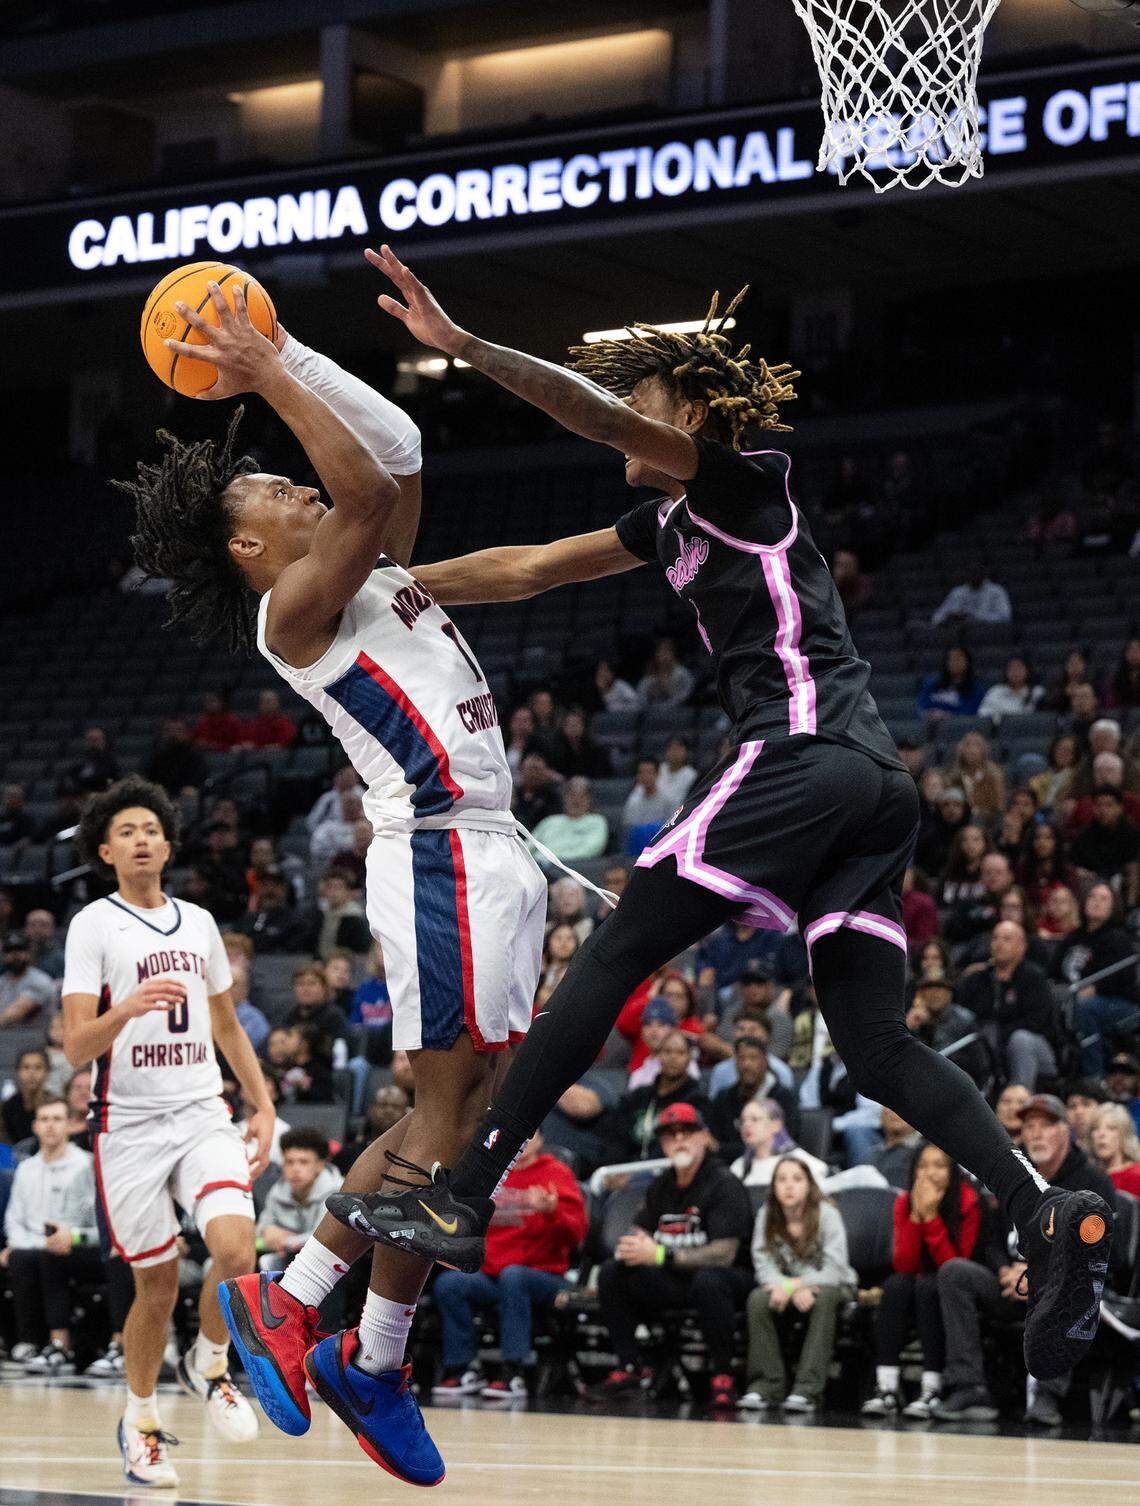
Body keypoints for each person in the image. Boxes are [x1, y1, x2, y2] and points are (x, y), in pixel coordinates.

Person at [338, 246, 1114, 1395]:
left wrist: (467, 350)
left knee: (616, 947)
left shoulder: (740, 483)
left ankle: (470, 1184)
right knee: (877, 1046)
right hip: (872, 792)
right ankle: (1044, 1208)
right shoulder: (670, 528)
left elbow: (591, 411)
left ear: (689, 412)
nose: (624, 426)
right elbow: (534, 567)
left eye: (642, 406)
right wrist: (400, 589)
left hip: (802, 755)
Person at [123, 278, 548, 1487]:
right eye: (270, 490)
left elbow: (395, 453)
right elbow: (360, 485)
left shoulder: (368, 576)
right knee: (452, 1119)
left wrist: (290, 347)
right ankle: (341, 1333)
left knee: (466, 1120)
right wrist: (263, 378)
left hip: (491, 849)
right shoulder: (297, 611)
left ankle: (330, 1325)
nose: (298, 482)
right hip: (441, 849)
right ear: (253, 550)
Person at [61, 777, 272, 1484]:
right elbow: (74, 1047)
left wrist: (264, 1104)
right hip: (128, 1127)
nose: (142, 838)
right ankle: (141, 1418)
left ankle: (210, 1364)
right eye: (126, 831)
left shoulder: (200, 922)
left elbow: (225, 1024)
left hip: (202, 1112)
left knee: (236, 1251)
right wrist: (125, 1011)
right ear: (104, 850)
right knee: (154, 1288)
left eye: (151, 827)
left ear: (168, 841)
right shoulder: (94, 924)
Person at [932, 1094, 1116, 1426]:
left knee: (1068, 1286)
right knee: (955, 1273)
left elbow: (1102, 1255)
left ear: (1066, 1132)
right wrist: (1004, 1268)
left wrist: (1042, 1273)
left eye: (1046, 1126)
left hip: (1070, 1289)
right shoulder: (1012, 1174)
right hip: (1012, 1284)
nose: (1036, 1134)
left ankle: (1046, 1396)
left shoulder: (1091, 1183)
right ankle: (968, 1385)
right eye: (1029, 1126)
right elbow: (990, 1241)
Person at [594, 1103, 753, 1408]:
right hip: (676, 1279)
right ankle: (630, 1366)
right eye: (670, 1135)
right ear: (663, 1144)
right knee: (614, 1272)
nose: (679, 1140)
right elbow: (639, 1234)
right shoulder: (661, 1185)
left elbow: (724, 1253)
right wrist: (633, 1248)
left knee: (708, 1282)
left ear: (704, 1137)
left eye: (687, 1132)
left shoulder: (724, 1183)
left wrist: (661, 1256)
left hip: (729, 1279)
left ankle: (723, 1375)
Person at [431, 1130, 587, 1401]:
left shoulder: (556, 1173)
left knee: (513, 1277)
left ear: (540, 1140)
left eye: (531, 1134)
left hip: (544, 1276)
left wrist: (553, 1213)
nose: (524, 1141)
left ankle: (513, 1372)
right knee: (450, 1283)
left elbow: (577, 1237)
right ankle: (462, 1368)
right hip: (493, 1275)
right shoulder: (494, 1173)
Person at [861, 1142, 980, 1419]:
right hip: (916, 1279)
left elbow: (955, 1264)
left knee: (929, 1285)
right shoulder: (904, 1201)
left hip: (955, 1286)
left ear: (952, 1171)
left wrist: (930, 1218)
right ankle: (887, 1387)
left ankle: (932, 1388)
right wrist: (917, 1214)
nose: (930, 1173)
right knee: (895, 1284)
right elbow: (904, 1264)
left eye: (939, 1165)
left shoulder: (968, 1200)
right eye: (923, 1166)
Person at [742, 1155, 855, 1412]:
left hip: (835, 1286)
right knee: (757, 1299)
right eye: (781, 1180)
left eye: (796, 1179)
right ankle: (766, 1385)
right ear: (773, 1186)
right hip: (786, 1287)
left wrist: (793, 1286)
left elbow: (835, 1269)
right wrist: (787, 1286)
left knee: (824, 1298)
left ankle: (807, 1390)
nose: (789, 1186)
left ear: (809, 1184)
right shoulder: (767, 1215)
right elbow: (763, 1264)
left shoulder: (827, 1214)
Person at [1, 1095, 100, 1374]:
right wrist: (27, 1245)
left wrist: (60, 1241)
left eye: (57, 1119)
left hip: (75, 1243)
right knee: (22, 1257)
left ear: (69, 1125)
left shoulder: (85, 1165)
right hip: (32, 1245)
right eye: (44, 1119)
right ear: (34, 1126)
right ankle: (27, 1342)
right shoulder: (26, 1169)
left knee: (41, 1257)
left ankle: (59, 1344)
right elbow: (14, 1219)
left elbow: (90, 1219)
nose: (50, 1126)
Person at [955, 921, 1058, 1090]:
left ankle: (1018, 1099)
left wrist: (1000, 1034)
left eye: (1007, 939)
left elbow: (1037, 1022)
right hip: (983, 1044)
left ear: (1022, 946)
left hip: (1034, 1048)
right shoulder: (977, 979)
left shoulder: (1034, 978)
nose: (999, 944)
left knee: (1021, 1039)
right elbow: (961, 1014)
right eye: (995, 938)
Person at [1053, 883, 1139, 1076]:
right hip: (1071, 998)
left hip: (1119, 1003)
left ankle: (1094, 1075)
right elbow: (1053, 971)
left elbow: (1123, 979)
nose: (1096, 902)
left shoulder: (1118, 938)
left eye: (1103, 898)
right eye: (1092, 897)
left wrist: (1095, 989)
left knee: (1085, 1007)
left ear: (1113, 906)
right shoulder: (1074, 937)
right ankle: (1059, 1069)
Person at [608, 1030, 711, 1161]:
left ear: (689, 1058)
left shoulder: (697, 1099)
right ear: (658, 1055)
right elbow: (616, 1137)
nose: (673, 1057)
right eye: (667, 1051)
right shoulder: (638, 1096)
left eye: (680, 1052)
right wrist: (616, 1167)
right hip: (625, 1168)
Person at [255, 1128, 344, 1266]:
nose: (295, 1169)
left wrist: (287, 1241)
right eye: (289, 1162)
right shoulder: (278, 1190)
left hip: (325, 1264)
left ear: (319, 1165)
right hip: (283, 1258)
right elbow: (262, 1230)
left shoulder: (337, 1193)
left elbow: (324, 1241)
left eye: (304, 1162)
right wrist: (268, 1233)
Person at [707, 1035, 800, 1161]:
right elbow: (712, 1143)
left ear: (765, 1061)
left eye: (753, 1058)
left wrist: (723, 1149)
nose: (747, 1064)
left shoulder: (783, 1097)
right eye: (741, 1058)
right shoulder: (723, 1097)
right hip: (727, 1168)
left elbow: (781, 1144)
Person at [730, 1100, 827, 1187]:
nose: (746, 1125)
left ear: (776, 1125)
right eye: (742, 1121)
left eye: (755, 1119)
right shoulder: (738, 1167)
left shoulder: (799, 1161)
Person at [530, 776, 609, 866]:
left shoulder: (597, 821)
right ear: (564, 798)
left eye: (581, 796)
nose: (576, 800)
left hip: (573, 868)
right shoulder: (550, 821)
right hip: (538, 866)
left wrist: (554, 860)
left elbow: (592, 849)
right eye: (572, 795)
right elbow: (527, 845)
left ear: (589, 800)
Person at [0, 931, 55, 1027]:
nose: (15, 955)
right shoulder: (2, 981)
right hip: (7, 1037)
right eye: (9, 951)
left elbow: (15, 1013)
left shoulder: (40, 980)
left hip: (37, 1037)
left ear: (29, 953)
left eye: (20, 950)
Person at [1089, 1102, 1140, 1196]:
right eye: (1095, 1128)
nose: (1101, 1134)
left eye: (1111, 1128)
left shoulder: (1137, 1176)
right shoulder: (1087, 1178)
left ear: (1123, 1134)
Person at [917, 648, 985, 719]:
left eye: (959, 659)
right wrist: (931, 714)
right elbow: (922, 704)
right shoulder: (932, 683)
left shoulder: (976, 688)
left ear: (967, 662)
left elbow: (971, 711)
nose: (955, 662)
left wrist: (948, 715)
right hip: (932, 725)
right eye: (951, 659)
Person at [1, 1046, 49, 1145]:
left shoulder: (56, 1104)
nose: (32, 1073)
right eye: (26, 1067)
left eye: (38, 1067)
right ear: (17, 1072)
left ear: (47, 1072)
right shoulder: (7, 1108)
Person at [931, 571, 1011, 627]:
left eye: (977, 572)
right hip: (959, 637)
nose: (974, 575)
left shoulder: (996, 591)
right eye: (971, 572)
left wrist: (973, 616)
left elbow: (1005, 618)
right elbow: (936, 618)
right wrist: (949, 617)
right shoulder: (957, 592)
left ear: (984, 573)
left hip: (988, 634)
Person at [621, 758, 674, 838]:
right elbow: (629, 829)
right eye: (641, 773)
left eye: (649, 772)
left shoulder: (668, 799)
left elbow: (673, 827)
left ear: (658, 774)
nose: (645, 776)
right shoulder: (633, 801)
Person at [978, 657, 1042, 722]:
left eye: (1019, 668)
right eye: (1011, 668)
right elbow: (983, 715)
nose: (1015, 672)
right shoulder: (995, 691)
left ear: (1027, 670)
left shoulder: (1037, 691)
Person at [1029, 733, 1080, 812]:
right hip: (1038, 819)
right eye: (1060, 749)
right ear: (1053, 751)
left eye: (1068, 751)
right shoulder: (1036, 781)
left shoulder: (1077, 782)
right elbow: (1031, 807)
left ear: (1074, 755)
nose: (1063, 753)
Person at [637, 638, 694, 706]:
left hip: (677, 712)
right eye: (661, 651)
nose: (664, 655)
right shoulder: (650, 677)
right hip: (652, 712)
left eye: (667, 651)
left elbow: (686, 697)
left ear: (674, 654)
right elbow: (640, 697)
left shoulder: (683, 675)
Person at [24, 909, 66, 981]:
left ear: (52, 929)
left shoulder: (62, 957)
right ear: (26, 928)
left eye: (44, 925)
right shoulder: (17, 955)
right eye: (33, 924)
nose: (38, 929)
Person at [658, 736, 698, 805]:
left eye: (678, 748)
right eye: (671, 748)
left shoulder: (691, 775)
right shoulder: (658, 769)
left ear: (686, 751)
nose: (674, 752)